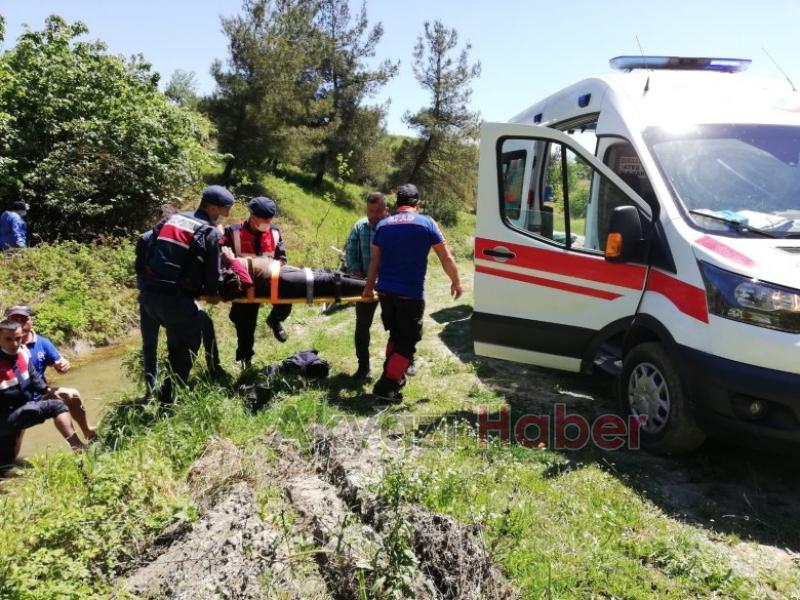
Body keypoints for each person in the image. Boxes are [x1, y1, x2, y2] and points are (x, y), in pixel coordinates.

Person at [362, 184, 463, 401]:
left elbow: (375, 261)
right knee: (407, 341)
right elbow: (445, 257)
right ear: (417, 203)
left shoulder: (383, 226)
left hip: (386, 293)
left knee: (396, 336)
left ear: (397, 203)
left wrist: (369, 288)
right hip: (410, 294)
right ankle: (386, 386)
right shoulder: (426, 223)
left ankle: (395, 378)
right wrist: (456, 281)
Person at [138, 185, 232, 402]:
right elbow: (213, 275)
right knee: (185, 350)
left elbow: (150, 251)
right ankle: (167, 403)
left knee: (176, 344)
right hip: (175, 299)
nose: (227, 214)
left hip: (149, 297)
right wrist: (213, 293)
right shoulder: (208, 232)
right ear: (213, 208)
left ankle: (158, 392)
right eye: (226, 209)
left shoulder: (173, 220)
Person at [4, 305, 96, 442]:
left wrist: (63, 366)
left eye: (23, 319)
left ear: (31, 321)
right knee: (12, 450)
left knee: (72, 395)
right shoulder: (3, 346)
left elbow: (59, 365)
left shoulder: (42, 343)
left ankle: (87, 433)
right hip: (13, 404)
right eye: (14, 320)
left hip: (41, 394)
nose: (19, 323)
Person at [0, 319, 85, 466]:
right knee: (5, 462)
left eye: (18, 338)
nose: (14, 343)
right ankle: (80, 450)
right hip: (5, 417)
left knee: (6, 464)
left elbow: (34, 378)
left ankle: (79, 450)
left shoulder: (23, 353)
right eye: (8, 339)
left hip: (23, 410)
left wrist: (48, 390)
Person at [223, 196, 291, 368]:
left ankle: (275, 319)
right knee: (246, 324)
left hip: (269, 281)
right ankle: (245, 360)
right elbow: (223, 259)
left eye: (270, 220)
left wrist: (273, 269)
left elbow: (282, 259)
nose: (268, 223)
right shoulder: (233, 232)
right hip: (245, 285)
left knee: (290, 292)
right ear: (252, 217)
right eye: (264, 220)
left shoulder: (275, 232)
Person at [344, 192, 388, 380]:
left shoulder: (392, 228)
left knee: (396, 325)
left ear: (386, 210)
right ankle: (363, 367)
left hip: (389, 285)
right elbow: (351, 253)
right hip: (365, 285)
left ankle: (399, 367)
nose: (373, 215)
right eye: (370, 211)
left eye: (378, 211)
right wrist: (356, 275)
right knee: (362, 326)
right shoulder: (359, 227)